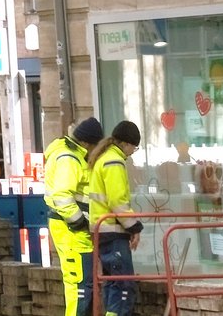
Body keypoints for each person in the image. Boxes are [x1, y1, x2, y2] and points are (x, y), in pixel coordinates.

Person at [44, 117, 104, 316]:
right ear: (87, 142)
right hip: (71, 230)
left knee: (82, 284)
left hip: (71, 230)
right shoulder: (69, 158)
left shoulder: (70, 154)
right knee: (79, 286)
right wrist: (79, 221)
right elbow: (61, 195)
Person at [88, 120, 144, 316]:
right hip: (112, 233)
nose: (131, 153)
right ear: (126, 144)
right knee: (124, 287)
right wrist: (134, 227)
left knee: (113, 284)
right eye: (133, 148)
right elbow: (118, 201)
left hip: (103, 232)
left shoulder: (103, 158)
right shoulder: (114, 161)